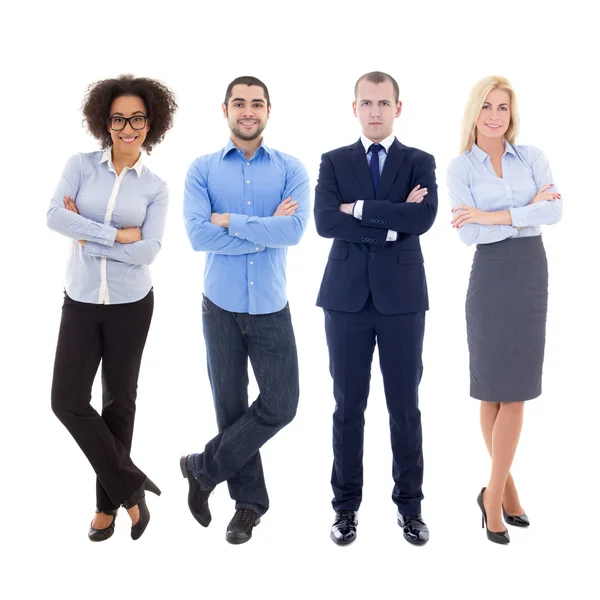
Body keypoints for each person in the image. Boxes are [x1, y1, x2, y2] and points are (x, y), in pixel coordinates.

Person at [47, 74, 177, 541]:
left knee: (119, 404)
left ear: (151, 122)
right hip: (81, 301)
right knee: (67, 401)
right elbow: (52, 216)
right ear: (104, 121)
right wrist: (118, 235)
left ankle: (106, 507)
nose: (128, 127)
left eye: (137, 118)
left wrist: (86, 233)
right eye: (118, 118)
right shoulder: (80, 166)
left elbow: (149, 251)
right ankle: (131, 486)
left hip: (131, 305)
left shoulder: (157, 187)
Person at [181, 75, 309, 545]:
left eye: (257, 103)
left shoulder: (292, 168)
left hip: (272, 307)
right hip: (220, 306)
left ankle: (202, 468)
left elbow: (294, 232)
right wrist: (264, 226)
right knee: (231, 407)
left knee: (282, 405)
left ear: (268, 111)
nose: (248, 111)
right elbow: (198, 237)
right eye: (240, 103)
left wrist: (230, 221)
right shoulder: (202, 169)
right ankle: (248, 505)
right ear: (225, 110)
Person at [314, 71, 437, 546]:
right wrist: (389, 219)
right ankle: (345, 508)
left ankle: (411, 508)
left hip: (403, 300)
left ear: (398, 108)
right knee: (348, 408)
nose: (375, 111)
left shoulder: (419, 161)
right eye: (367, 103)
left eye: (384, 103)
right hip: (345, 300)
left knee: (404, 407)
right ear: (355, 108)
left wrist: (357, 209)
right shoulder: (334, 160)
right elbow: (326, 221)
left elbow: (422, 218)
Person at [447, 75, 562, 544]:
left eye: (503, 108)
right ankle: (504, 491)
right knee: (491, 391)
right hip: (490, 277)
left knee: (515, 392)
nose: (496, 116)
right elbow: (468, 234)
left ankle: (492, 495)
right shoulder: (460, 168)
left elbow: (553, 213)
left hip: (531, 275)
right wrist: (523, 212)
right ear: (475, 110)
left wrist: (492, 215)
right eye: (488, 106)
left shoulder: (531, 157)